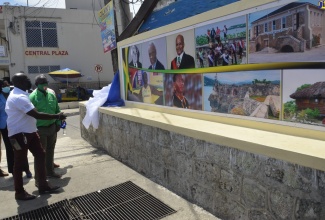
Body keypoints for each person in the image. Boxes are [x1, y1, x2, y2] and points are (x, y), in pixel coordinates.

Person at [5, 73, 66, 200]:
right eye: (26, 79)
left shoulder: (23, 94)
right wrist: (57, 116)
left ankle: (43, 185)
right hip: (20, 134)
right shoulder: (18, 97)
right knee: (19, 163)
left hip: (30, 132)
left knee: (40, 154)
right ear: (20, 82)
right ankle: (19, 192)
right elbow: (36, 115)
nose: (29, 81)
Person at [29, 74, 62, 181]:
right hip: (40, 128)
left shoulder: (51, 94)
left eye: (46, 82)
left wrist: (58, 123)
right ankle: (40, 178)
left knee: (50, 150)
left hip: (52, 127)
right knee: (40, 154)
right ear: (36, 84)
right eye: (42, 83)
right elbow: (30, 115)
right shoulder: (32, 97)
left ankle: (50, 171)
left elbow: (57, 109)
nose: (44, 84)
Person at [0, 80, 32, 178]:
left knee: (21, 147)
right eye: (4, 85)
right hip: (5, 127)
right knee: (11, 148)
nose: (7, 86)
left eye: (8, 84)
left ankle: (26, 169)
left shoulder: (13, 94)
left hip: (17, 125)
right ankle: (14, 170)